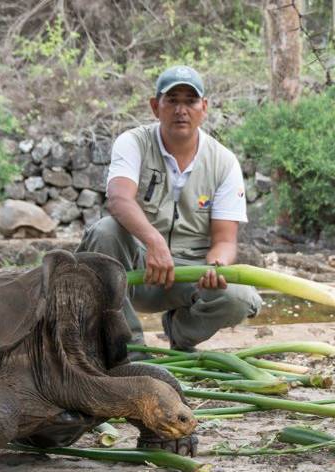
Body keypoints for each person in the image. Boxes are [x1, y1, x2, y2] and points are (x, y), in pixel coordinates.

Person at [78, 65, 262, 358]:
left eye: (190, 101)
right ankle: (132, 350)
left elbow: (225, 241)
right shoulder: (133, 142)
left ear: (204, 107)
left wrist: (215, 266)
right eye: (172, 100)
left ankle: (180, 331)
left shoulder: (224, 162)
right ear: (155, 107)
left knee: (240, 299)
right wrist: (153, 241)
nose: (181, 110)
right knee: (105, 231)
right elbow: (118, 198)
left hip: (190, 273)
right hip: (137, 271)